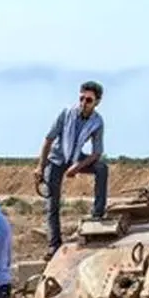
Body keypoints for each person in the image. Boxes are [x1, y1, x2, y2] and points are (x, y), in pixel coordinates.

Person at [35, 80, 108, 259]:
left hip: (76, 158)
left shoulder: (97, 122)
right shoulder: (66, 113)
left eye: (89, 100)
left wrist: (77, 167)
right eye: (82, 98)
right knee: (52, 204)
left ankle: (97, 215)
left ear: (97, 102)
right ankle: (54, 244)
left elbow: (97, 153)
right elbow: (48, 139)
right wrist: (40, 167)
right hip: (56, 160)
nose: (84, 103)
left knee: (101, 168)